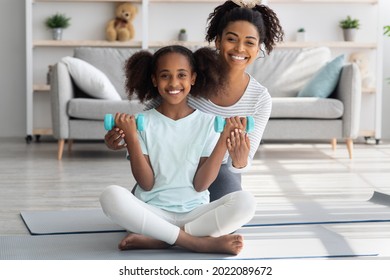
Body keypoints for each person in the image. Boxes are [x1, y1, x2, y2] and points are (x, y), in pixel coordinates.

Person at [104, 0, 284, 201]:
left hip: (217, 170)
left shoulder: (260, 98)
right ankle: (180, 231)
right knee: (135, 211)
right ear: (218, 41)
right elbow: (152, 117)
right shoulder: (189, 77)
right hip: (167, 167)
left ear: (258, 48)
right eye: (231, 39)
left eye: (249, 42)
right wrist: (122, 138)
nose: (239, 49)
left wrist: (240, 160)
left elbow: (242, 162)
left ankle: (176, 230)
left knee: (233, 212)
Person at [100, 45, 256, 255]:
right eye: (165, 76)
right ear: (155, 80)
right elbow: (146, 183)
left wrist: (223, 140)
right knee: (110, 196)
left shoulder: (210, 124)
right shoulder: (142, 123)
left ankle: (162, 239)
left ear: (192, 78)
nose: (174, 83)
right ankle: (196, 243)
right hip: (153, 213)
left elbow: (201, 186)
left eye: (181, 75)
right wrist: (131, 138)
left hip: (196, 214)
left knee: (246, 202)